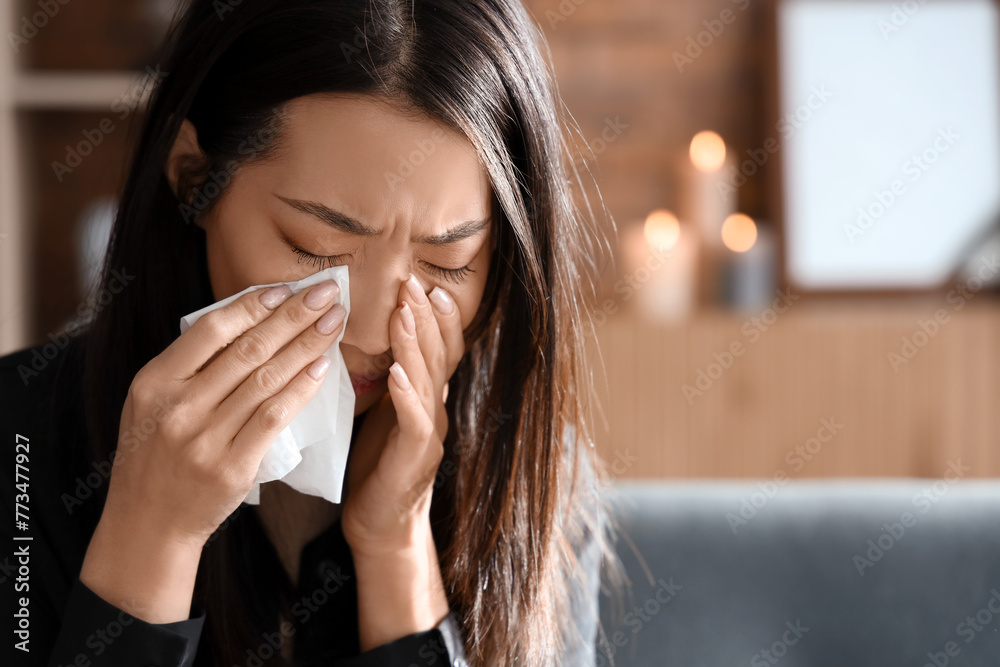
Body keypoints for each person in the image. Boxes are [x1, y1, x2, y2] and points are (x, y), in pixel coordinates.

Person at [0, 0, 624, 665]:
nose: (374, 332)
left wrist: (397, 546)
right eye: (317, 247)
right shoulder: (20, 441)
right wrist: (153, 536)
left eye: (448, 261)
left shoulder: (532, 471)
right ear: (193, 179)